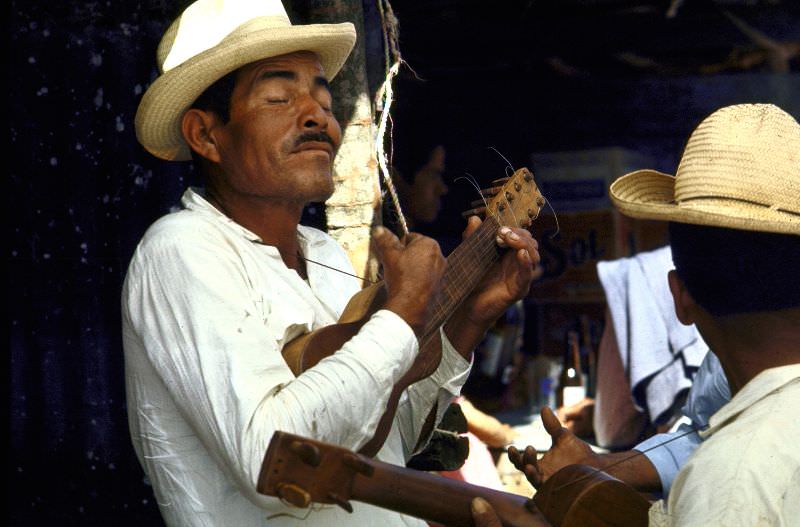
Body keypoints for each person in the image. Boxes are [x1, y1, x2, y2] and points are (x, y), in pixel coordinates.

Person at [122, 0, 540, 526]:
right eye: (278, 97)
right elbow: (277, 464)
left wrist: (468, 320)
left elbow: (382, 440)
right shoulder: (181, 250)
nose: (318, 115)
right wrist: (401, 314)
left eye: (321, 97)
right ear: (206, 135)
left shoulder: (321, 252)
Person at [508, 103, 800, 525]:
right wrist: (600, 469)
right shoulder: (731, 423)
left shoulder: (729, 483)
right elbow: (702, 434)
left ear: (679, 298)